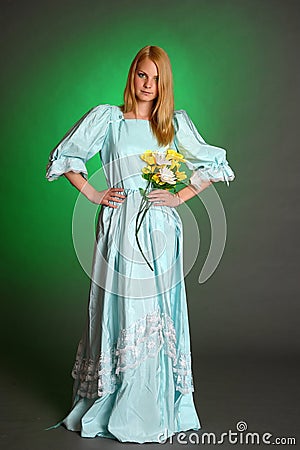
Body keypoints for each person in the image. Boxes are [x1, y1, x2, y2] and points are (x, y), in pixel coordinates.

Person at [45, 45, 235, 443]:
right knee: (120, 308)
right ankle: (113, 401)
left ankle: (155, 406)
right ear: (132, 76)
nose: (148, 85)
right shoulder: (109, 119)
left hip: (160, 228)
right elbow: (68, 156)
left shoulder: (173, 124)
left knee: (155, 310)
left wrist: (179, 197)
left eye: (156, 78)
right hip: (118, 225)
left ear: (164, 83)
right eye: (141, 75)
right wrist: (95, 194)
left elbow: (211, 164)